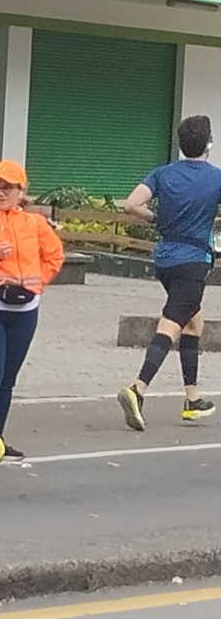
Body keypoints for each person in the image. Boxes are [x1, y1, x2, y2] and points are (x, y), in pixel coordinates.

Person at [118, 115, 221, 431]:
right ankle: (137, 388)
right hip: (193, 262)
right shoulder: (216, 178)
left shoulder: (163, 173)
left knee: (193, 322)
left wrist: (155, 220)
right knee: (172, 325)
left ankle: (192, 399)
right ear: (208, 144)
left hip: (164, 258)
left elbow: (131, 205)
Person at [0, 160, 63, 459]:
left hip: (25, 310)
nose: (0, 192)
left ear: (21, 191)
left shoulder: (34, 223)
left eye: (7, 187)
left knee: (8, 378)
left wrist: (36, 285)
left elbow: (55, 256)